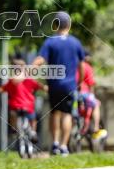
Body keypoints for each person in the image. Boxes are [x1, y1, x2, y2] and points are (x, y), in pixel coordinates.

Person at [33, 11, 85, 155]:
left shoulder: (50, 42)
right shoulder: (75, 43)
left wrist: (30, 69)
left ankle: (55, 143)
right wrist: (79, 82)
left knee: (55, 113)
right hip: (69, 85)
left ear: (55, 25)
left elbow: (41, 60)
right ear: (69, 25)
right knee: (67, 114)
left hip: (54, 85)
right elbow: (82, 66)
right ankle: (63, 146)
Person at [0, 59, 45, 143]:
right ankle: (33, 132)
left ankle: (13, 129)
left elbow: (1, 89)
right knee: (33, 119)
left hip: (15, 106)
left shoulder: (11, 81)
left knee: (12, 114)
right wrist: (45, 88)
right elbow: (39, 86)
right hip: (28, 106)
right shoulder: (29, 79)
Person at [77, 55, 106, 140]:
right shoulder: (87, 67)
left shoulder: (74, 66)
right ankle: (96, 128)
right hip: (84, 93)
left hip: (73, 93)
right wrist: (93, 95)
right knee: (96, 104)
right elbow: (91, 83)